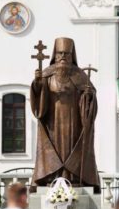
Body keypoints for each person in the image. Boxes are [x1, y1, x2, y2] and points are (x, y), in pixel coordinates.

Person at [30, 37, 100, 190]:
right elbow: (38, 98)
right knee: (54, 148)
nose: (63, 57)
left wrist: (88, 96)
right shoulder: (47, 74)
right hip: (52, 122)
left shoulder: (79, 75)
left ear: (71, 55)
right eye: (60, 53)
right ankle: (52, 176)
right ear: (55, 55)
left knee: (71, 148)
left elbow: (90, 100)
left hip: (73, 122)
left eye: (66, 54)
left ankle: (72, 176)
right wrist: (37, 83)